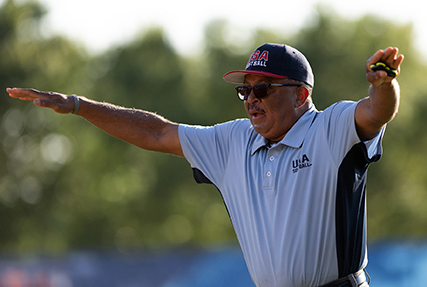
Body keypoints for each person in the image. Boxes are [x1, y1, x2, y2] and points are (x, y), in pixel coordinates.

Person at [6, 43, 404, 287]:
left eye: (262, 88)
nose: (251, 99)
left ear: (300, 95)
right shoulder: (233, 141)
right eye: (244, 90)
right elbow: (158, 133)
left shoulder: (329, 127)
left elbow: (376, 112)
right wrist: (78, 105)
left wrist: (383, 84)